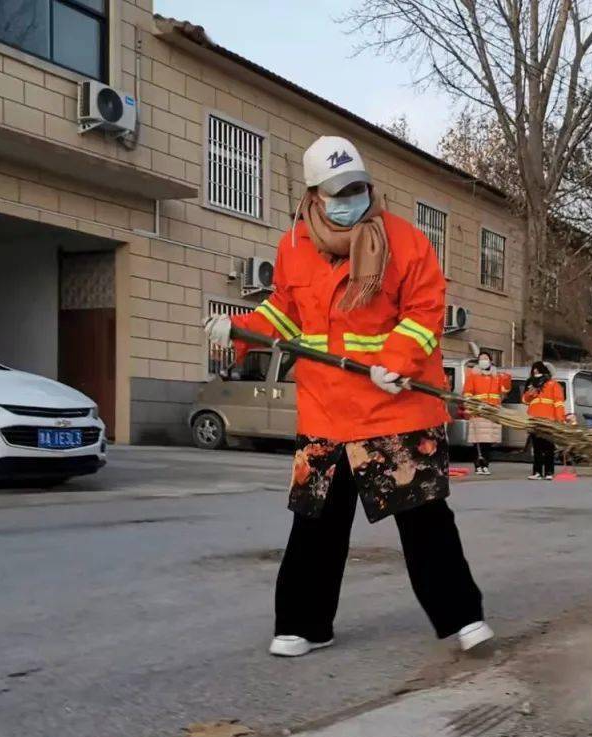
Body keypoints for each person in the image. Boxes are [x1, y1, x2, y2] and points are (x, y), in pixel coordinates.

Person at [204, 136, 492, 658]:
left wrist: (398, 362)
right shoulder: (293, 247)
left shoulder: (405, 241)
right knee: (315, 523)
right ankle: (305, 624)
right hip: (326, 412)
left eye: (357, 188)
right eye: (337, 192)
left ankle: (461, 617)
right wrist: (239, 327)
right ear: (313, 195)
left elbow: (426, 310)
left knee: (425, 519)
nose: (349, 199)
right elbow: (284, 316)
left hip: (396, 407)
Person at [462, 351, 512, 475]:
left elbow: (505, 391)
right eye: (481, 359)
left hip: (492, 411)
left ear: (490, 360)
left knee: (488, 440)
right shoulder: (473, 376)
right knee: (478, 439)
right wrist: (470, 406)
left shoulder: (496, 376)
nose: (483, 360)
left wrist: (507, 379)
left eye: (485, 358)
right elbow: (467, 392)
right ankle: (478, 464)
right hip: (479, 411)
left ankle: (486, 464)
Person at [521, 361, 565, 479]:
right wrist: (530, 393)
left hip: (548, 419)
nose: (535, 372)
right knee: (537, 447)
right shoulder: (531, 385)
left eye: (538, 369)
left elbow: (559, 403)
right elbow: (525, 400)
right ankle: (537, 472)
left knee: (548, 447)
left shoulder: (553, 384)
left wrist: (560, 419)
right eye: (534, 369)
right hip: (535, 419)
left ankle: (549, 472)